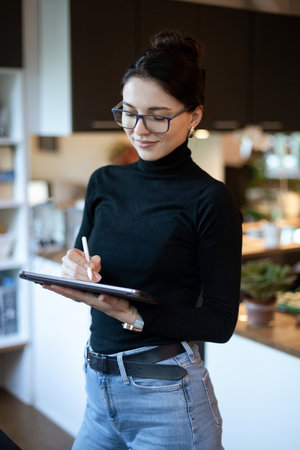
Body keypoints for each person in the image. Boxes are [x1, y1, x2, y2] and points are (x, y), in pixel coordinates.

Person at [44, 30, 242, 449]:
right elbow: (86, 256)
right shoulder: (104, 181)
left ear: (194, 116)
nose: (140, 129)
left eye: (158, 115)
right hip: (98, 386)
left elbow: (220, 323)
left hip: (169, 399)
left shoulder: (210, 199)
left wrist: (132, 314)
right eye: (129, 112)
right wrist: (76, 269)